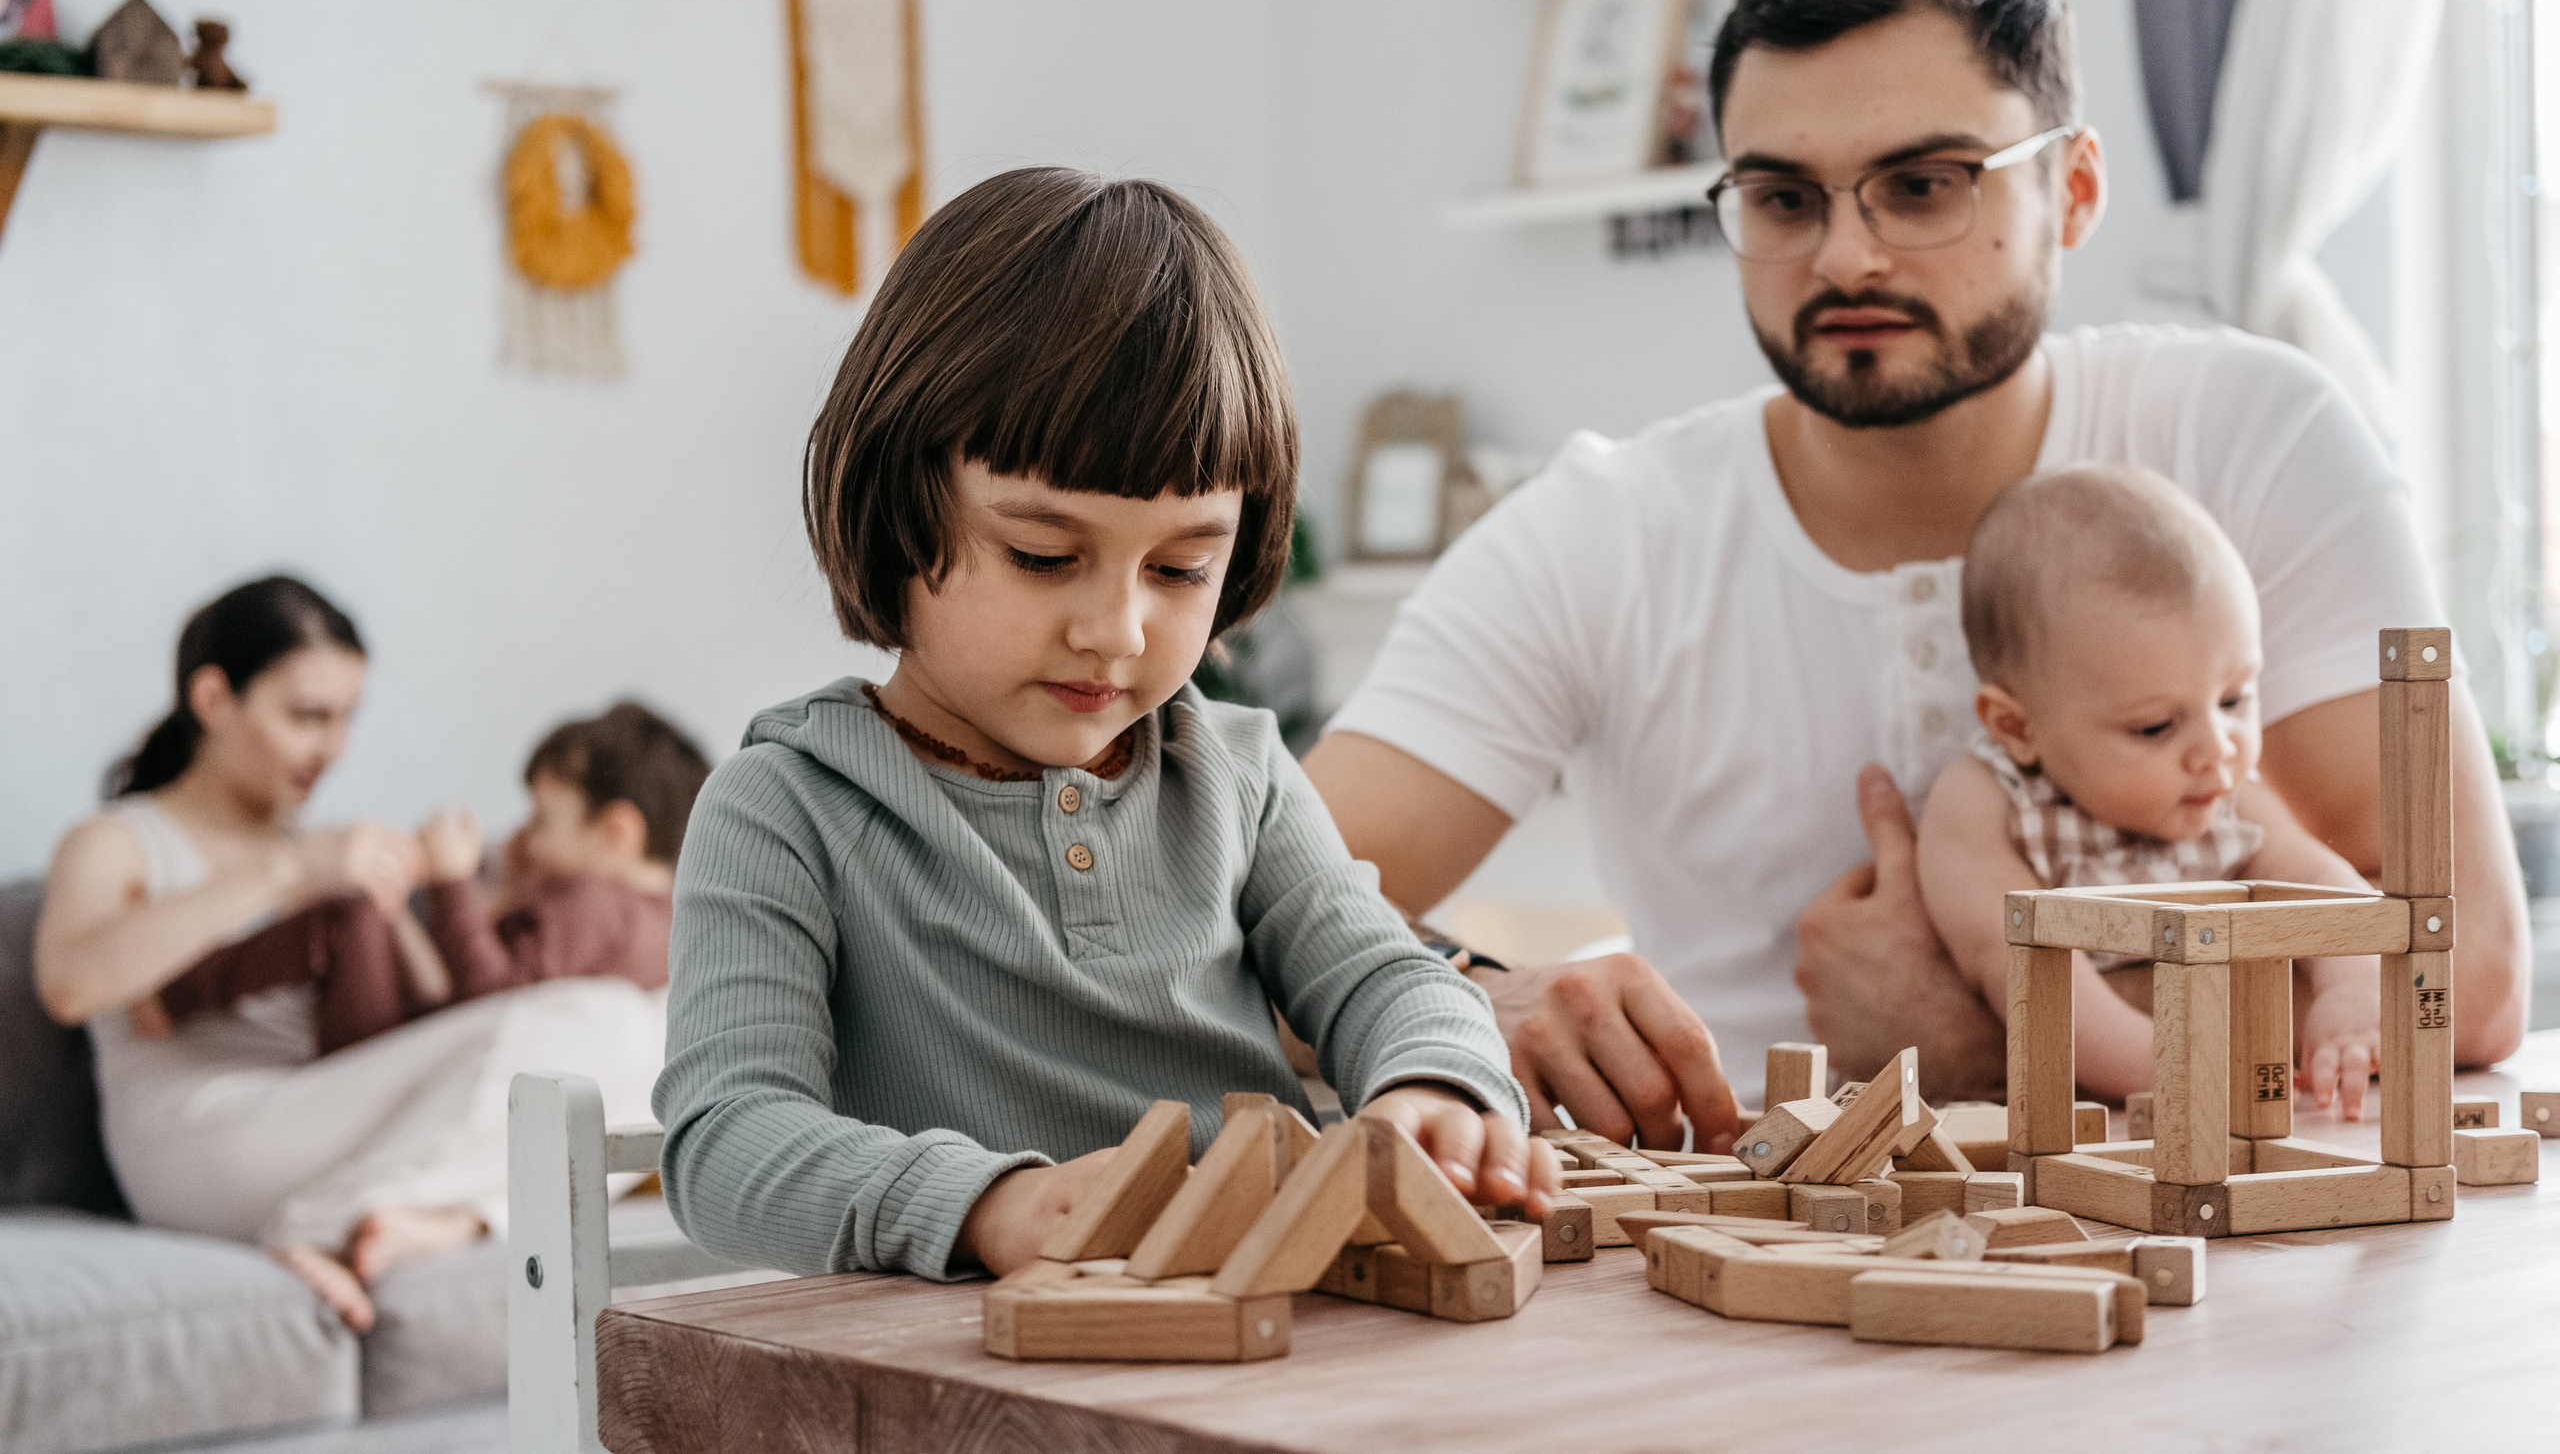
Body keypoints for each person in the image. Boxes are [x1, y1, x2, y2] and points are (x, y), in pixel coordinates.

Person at [1301, 0, 2528, 1135]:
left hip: (2253, 1269)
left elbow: (2465, 975)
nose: (1845, 258)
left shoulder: (2253, 430)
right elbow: (1240, 912)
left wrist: (1974, 1033)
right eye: (1784, 199)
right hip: (1747, 1278)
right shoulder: (1591, 537)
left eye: (1923, 185)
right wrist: (1466, 998)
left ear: (2075, 190)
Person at [653, 166, 1556, 1283]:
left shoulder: (1239, 773)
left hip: (1263, 1338)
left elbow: (1383, 973)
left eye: (1181, 567)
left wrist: (1439, 1083)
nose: (1117, 631)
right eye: (1042, 556)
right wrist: (991, 1206)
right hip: (965, 1374)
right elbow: (727, 1144)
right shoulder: (784, 805)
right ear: (897, 514)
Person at [34, 577, 665, 1332]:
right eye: (306, 716)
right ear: (212, 700)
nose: (331, 748)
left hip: (330, 1113)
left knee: (647, 1028)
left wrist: (466, 900)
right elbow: (70, 983)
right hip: (201, 1141)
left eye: (345, 719)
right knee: (605, 1020)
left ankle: (443, 1219)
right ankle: (322, 1222)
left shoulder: (325, 847)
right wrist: (284, 870)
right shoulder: (118, 839)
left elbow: (451, 1026)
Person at [1914, 466, 2378, 1110]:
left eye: (2234, 697)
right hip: (2083, 1126)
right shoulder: (1986, 802)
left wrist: (2353, 992)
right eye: (2156, 725)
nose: (2218, 747)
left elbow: (2324, 889)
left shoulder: (2225, 792)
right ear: (2018, 728)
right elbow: (2022, 972)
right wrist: (2177, 1063)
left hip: (2234, 1118)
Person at [150, 701, 709, 1056]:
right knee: (370, 910)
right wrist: (508, 896)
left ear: (614, 833)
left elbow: (487, 994)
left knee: (346, 919)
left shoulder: (595, 905)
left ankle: (171, 996)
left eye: (542, 819)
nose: (526, 837)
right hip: (431, 1039)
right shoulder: (660, 925)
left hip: (410, 1059)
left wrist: (452, 882)